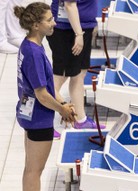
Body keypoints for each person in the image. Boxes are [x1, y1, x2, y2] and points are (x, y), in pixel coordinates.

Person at [15, 2, 76, 191]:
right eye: (49, 20)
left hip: (29, 114)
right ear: (36, 25)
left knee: (30, 168)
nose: (54, 23)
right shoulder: (33, 52)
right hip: (38, 118)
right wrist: (61, 110)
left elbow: (47, 87)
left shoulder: (31, 46)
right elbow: (41, 95)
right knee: (33, 171)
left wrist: (62, 103)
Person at [47, 0, 98, 130]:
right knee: (58, 78)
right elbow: (69, 5)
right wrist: (79, 34)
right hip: (67, 31)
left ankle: (80, 120)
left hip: (82, 27)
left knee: (79, 74)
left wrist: (92, 24)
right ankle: (43, 124)